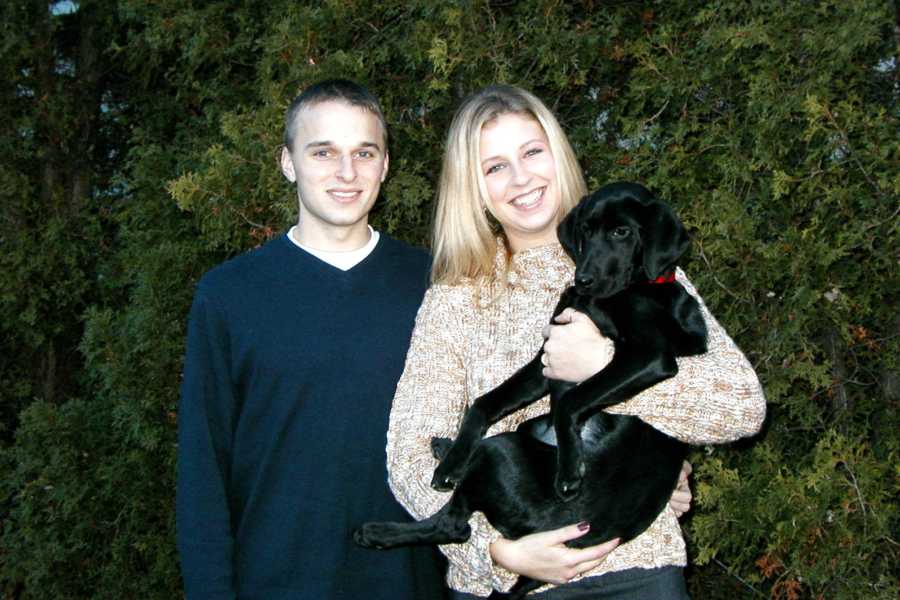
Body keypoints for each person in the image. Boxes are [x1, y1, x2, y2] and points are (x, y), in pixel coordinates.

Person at [385, 84, 767, 599]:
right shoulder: (456, 300)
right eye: (494, 167)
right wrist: (495, 552)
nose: (521, 178)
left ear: (557, 156)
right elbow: (409, 453)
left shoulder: (641, 264)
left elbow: (742, 407)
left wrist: (606, 366)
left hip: (635, 574)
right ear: (473, 188)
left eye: (532, 152)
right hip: (504, 587)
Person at [175, 79, 448, 600]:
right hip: (275, 582)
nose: (347, 173)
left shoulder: (435, 286)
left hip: (412, 584)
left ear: (385, 165)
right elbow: (203, 472)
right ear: (288, 161)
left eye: (363, 153)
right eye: (323, 152)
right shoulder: (229, 295)